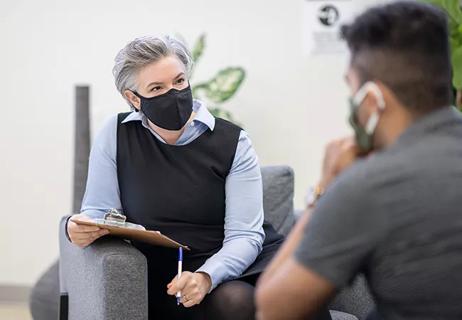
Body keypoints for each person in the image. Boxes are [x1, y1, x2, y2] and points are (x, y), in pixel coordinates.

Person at [256, 2, 462, 320]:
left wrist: (323, 190)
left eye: (351, 89)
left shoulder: (369, 185)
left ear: (371, 100)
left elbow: (273, 308)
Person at [65, 35, 285, 320]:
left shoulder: (233, 142)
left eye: (179, 82)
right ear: (133, 98)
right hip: (170, 274)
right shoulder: (116, 134)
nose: (174, 94)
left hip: (239, 260)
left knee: (278, 295)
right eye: (157, 87)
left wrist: (207, 276)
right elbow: (99, 212)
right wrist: (78, 227)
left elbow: (245, 235)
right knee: (235, 302)